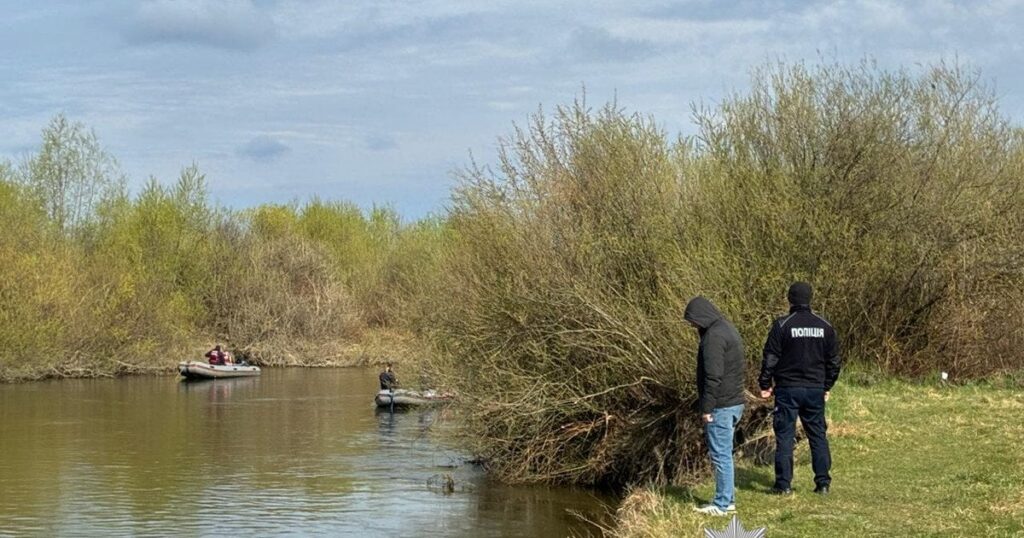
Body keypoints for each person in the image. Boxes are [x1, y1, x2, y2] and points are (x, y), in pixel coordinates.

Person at [759, 282, 842, 496]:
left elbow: (771, 357)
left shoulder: (782, 325)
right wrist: (827, 385)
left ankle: (783, 484)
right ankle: (823, 482)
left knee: (785, 436)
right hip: (814, 389)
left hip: (787, 389)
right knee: (817, 435)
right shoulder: (824, 326)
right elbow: (834, 360)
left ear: (790, 299)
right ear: (810, 299)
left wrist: (765, 384)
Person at [684, 296, 746, 516]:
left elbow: (713, 376)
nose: (693, 326)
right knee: (725, 453)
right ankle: (727, 500)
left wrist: (707, 408)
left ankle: (721, 504)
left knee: (720, 455)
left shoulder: (714, 337)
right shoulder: (727, 328)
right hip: (734, 401)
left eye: (693, 321)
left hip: (721, 405)